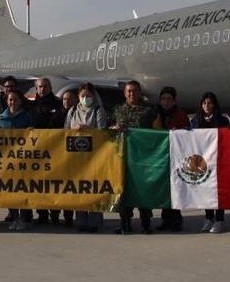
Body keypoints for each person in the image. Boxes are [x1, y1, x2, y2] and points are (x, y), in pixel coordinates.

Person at [113, 80, 157, 234]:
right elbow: (110, 129)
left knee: (142, 191)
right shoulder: (118, 110)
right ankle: (125, 222)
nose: (132, 94)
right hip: (123, 156)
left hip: (142, 157)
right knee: (123, 191)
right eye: (129, 91)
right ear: (125, 93)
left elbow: (155, 131)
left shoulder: (149, 111)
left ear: (140, 93)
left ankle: (146, 223)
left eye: (135, 91)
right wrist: (115, 128)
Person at [64, 82, 107, 232]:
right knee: (79, 189)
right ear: (78, 97)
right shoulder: (72, 111)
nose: (85, 98)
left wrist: (89, 129)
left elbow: (103, 132)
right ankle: (81, 220)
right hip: (76, 156)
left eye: (88, 96)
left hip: (94, 156)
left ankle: (95, 222)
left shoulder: (98, 111)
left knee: (94, 189)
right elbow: (65, 132)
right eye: (83, 96)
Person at [0, 89, 34, 231]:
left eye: (15, 100)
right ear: (7, 101)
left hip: (22, 159)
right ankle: (13, 216)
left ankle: (23, 218)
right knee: (9, 189)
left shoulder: (26, 116)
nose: (13, 102)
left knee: (22, 189)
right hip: (7, 160)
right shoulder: (1, 119)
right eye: (10, 100)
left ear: (20, 101)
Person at [192, 91, 230, 233]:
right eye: (204, 103)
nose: (207, 106)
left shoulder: (223, 120)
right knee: (206, 190)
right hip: (203, 162)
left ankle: (219, 220)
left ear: (214, 105)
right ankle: (208, 218)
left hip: (219, 160)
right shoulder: (196, 121)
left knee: (219, 191)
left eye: (209, 103)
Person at [153, 86, 189, 232]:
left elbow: (188, 133)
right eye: (163, 99)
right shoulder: (156, 115)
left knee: (176, 189)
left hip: (177, 157)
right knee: (164, 190)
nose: (166, 102)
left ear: (174, 101)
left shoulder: (181, 115)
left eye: (169, 99)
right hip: (161, 157)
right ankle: (165, 220)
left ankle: (176, 220)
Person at [29, 77, 65, 224]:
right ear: (36, 89)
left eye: (45, 86)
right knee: (39, 184)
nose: (42, 89)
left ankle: (55, 214)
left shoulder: (58, 104)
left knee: (55, 184)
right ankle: (42, 213)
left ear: (50, 87)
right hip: (38, 151)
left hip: (55, 150)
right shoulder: (32, 106)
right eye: (40, 87)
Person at [59, 88, 79, 227]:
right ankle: (61, 216)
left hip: (77, 155)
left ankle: (72, 216)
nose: (67, 102)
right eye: (65, 99)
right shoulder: (57, 113)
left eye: (70, 99)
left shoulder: (79, 112)